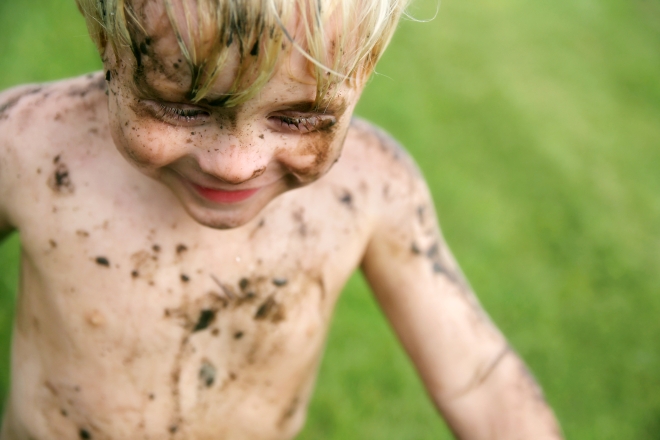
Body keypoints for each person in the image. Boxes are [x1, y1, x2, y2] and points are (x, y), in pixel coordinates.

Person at [0, 0, 562, 438]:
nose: (236, 164)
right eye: (182, 108)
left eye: (300, 118)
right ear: (106, 39)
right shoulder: (29, 145)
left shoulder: (373, 186)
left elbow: (479, 383)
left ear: (365, 68)